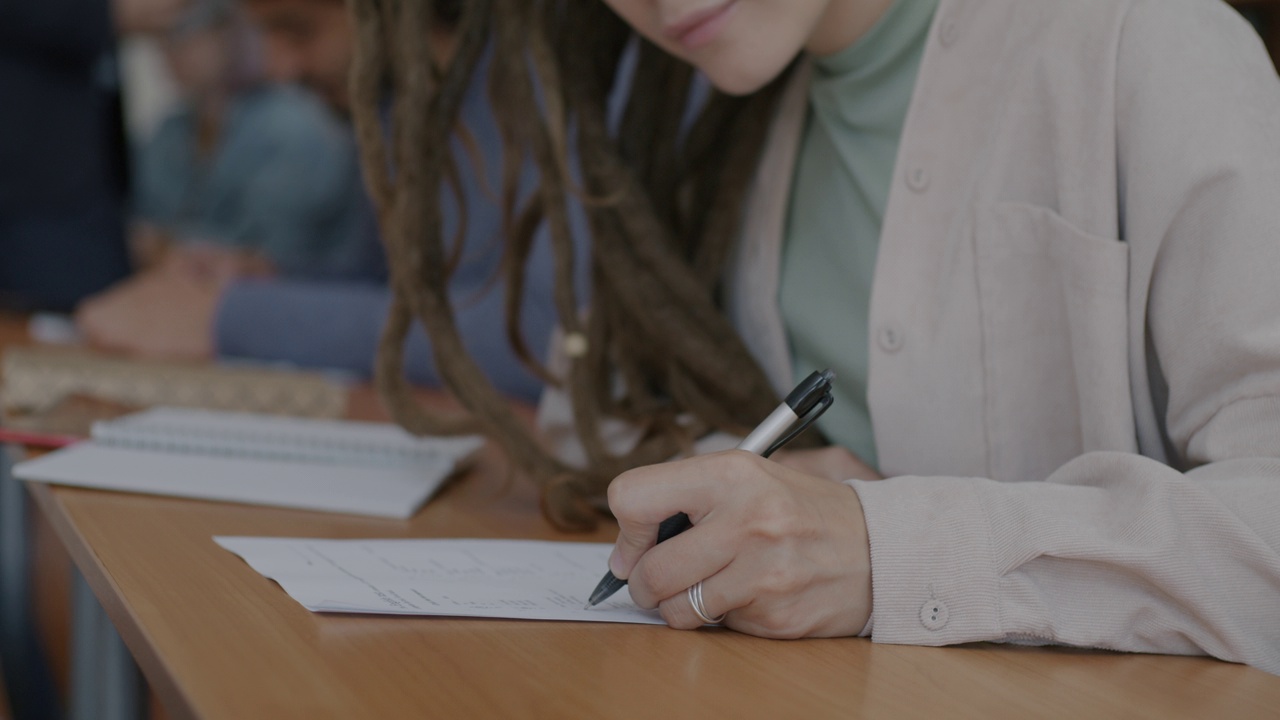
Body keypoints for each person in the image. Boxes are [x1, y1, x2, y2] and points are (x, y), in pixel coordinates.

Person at [364, 0, 1280, 674]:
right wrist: (751, 480)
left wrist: (888, 548)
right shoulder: (738, 105)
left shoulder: (1150, 42)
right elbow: (603, 403)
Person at [76, 0, 572, 404]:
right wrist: (269, 278)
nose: (278, 68)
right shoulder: (393, 108)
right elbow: (391, 286)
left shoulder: (557, 85)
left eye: (298, 31)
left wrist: (234, 317)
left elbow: (547, 341)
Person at [133, 0, 370, 277]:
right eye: (160, 43)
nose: (170, 55)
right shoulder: (168, 132)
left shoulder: (290, 125)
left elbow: (275, 252)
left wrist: (171, 248)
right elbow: (141, 230)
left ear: (227, 33)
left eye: (181, 36)